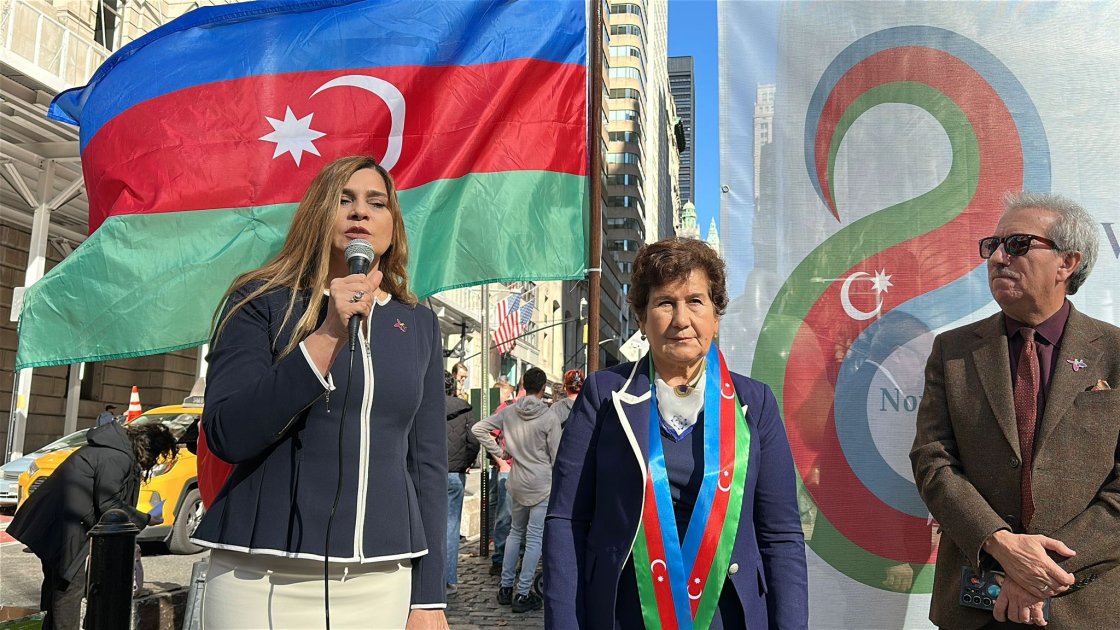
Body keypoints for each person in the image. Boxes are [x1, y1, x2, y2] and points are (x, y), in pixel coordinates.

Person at [192, 156, 448, 629]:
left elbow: (427, 464)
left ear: (393, 225)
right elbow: (228, 431)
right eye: (344, 200)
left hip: (382, 582)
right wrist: (329, 332)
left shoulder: (419, 324)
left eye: (377, 202)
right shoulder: (259, 301)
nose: (360, 213)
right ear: (317, 213)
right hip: (259, 578)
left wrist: (428, 597)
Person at [544, 238, 809, 629]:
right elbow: (567, 520)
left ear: (716, 316)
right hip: (625, 614)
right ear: (642, 316)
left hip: (729, 618)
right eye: (665, 302)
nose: (681, 319)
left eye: (696, 301)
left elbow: (781, 535)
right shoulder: (603, 396)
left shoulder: (756, 403)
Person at [911, 192, 1120, 629]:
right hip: (975, 603)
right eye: (994, 245)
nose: (998, 257)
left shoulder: (1115, 353)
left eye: (1019, 244)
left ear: (1067, 263)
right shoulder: (953, 352)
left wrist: (1037, 570)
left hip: (1085, 603)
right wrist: (1001, 544)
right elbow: (934, 461)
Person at [9, 422, 176, 630]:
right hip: (66, 527)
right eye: (157, 456)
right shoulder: (117, 457)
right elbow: (109, 503)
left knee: (56, 587)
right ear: (148, 449)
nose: (153, 463)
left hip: (56, 522)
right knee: (69, 591)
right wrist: (145, 519)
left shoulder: (108, 449)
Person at [473, 367, 561, 613]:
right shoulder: (549, 417)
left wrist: (501, 451)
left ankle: (505, 587)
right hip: (542, 483)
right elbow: (557, 455)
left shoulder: (510, 412)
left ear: (523, 385)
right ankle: (523, 593)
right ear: (544, 388)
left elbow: (478, 428)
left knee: (514, 533)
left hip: (517, 480)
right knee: (533, 539)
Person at [445, 370, 478, 595]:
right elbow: (473, 441)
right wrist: (465, 464)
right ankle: (449, 578)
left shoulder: (425, 405)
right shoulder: (464, 409)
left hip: (429, 473)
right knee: (451, 526)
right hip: (455, 474)